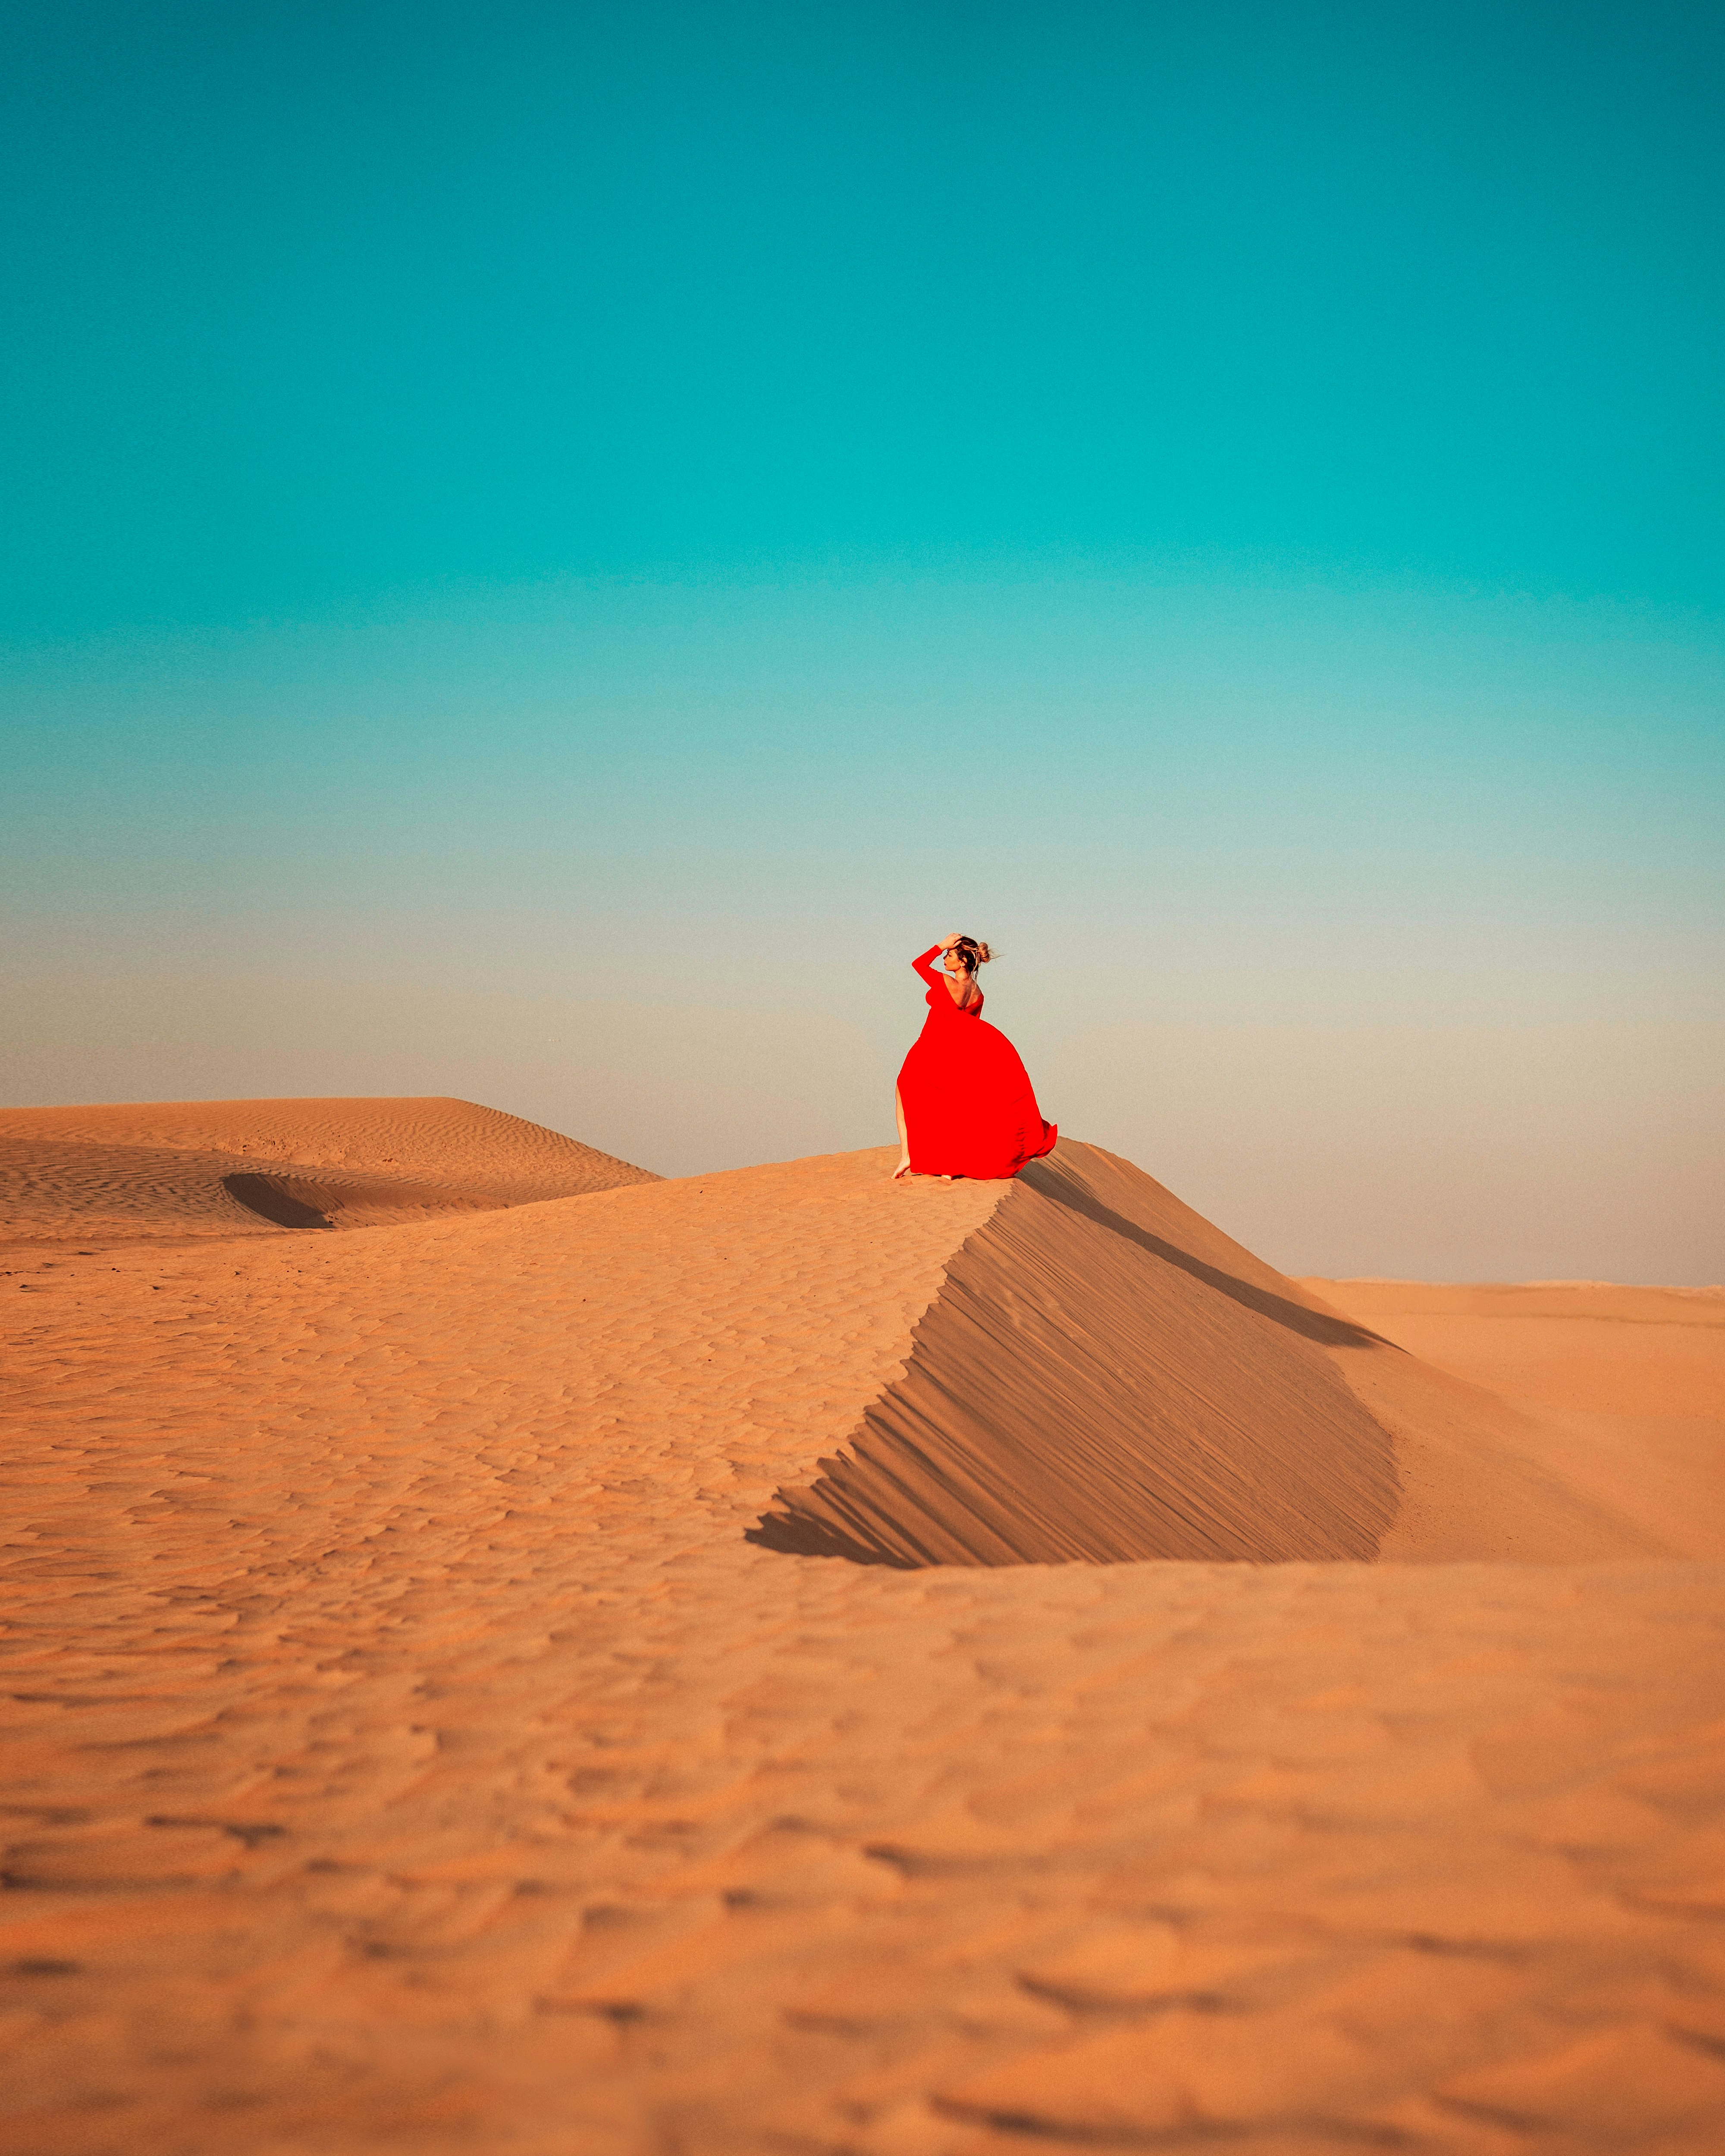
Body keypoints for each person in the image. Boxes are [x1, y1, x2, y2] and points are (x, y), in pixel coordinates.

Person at [893, 933, 1057, 1181]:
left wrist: (941, 945)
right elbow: (971, 1027)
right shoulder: (977, 992)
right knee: (950, 1104)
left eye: (950, 956)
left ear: (962, 962)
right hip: (955, 1054)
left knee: (903, 1089)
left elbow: (918, 965)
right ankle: (949, 1166)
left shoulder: (948, 983)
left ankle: (908, 1155)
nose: (945, 959)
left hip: (930, 1047)